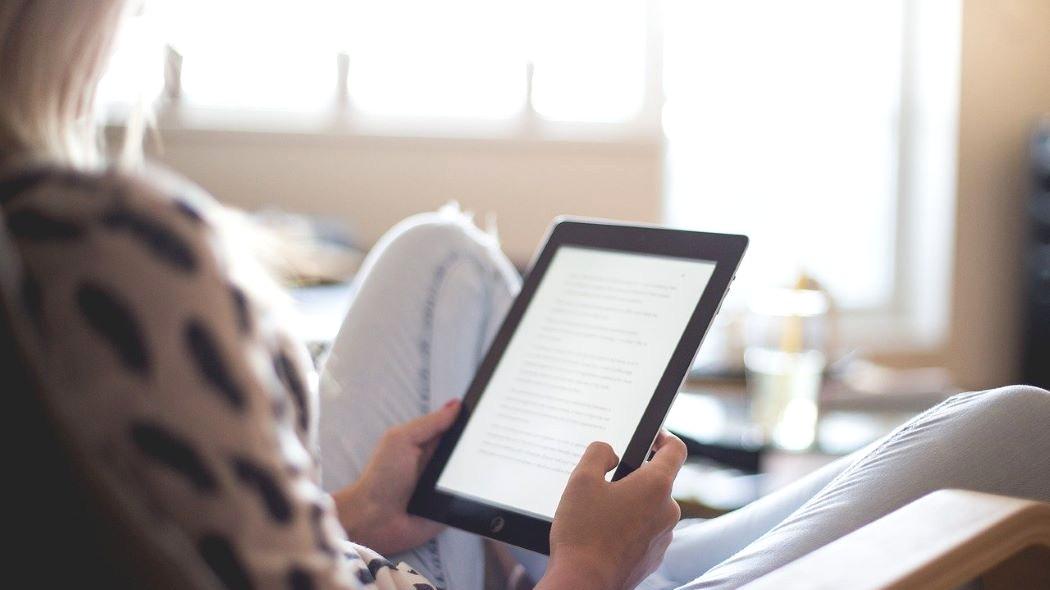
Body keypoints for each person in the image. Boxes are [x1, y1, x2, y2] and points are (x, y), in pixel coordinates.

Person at [1, 2, 1048, 589]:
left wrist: (358, 510)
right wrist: (586, 569)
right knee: (1020, 429)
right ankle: (627, 557)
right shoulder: (96, 248)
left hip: (378, 554)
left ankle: (625, 548)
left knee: (439, 253)